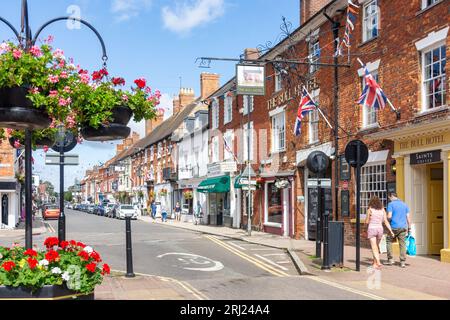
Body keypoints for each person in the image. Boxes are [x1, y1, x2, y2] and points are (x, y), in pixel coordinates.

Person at [365, 196, 394, 269]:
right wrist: (391, 231)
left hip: (372, 228)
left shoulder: (370, 209)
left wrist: (365, 225)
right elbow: (386, 221)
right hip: (380, 229)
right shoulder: (382, 210)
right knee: (376, 247)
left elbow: (367, 221)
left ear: (371, 202)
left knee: (374, 247)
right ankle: (374, 263)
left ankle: (378, 262)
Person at [386, 192, 412, 268]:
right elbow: (408, 218)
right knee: (402, 244)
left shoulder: (391, 204)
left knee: (389, 241)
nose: (389, 200)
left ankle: (390, 260)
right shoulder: (404, 204)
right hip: (403, 227)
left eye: (389, 198)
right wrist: (409, 228)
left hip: (393, 227)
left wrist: (387, 220)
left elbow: (389, 216)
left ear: (391, 196)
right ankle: (402, 262)